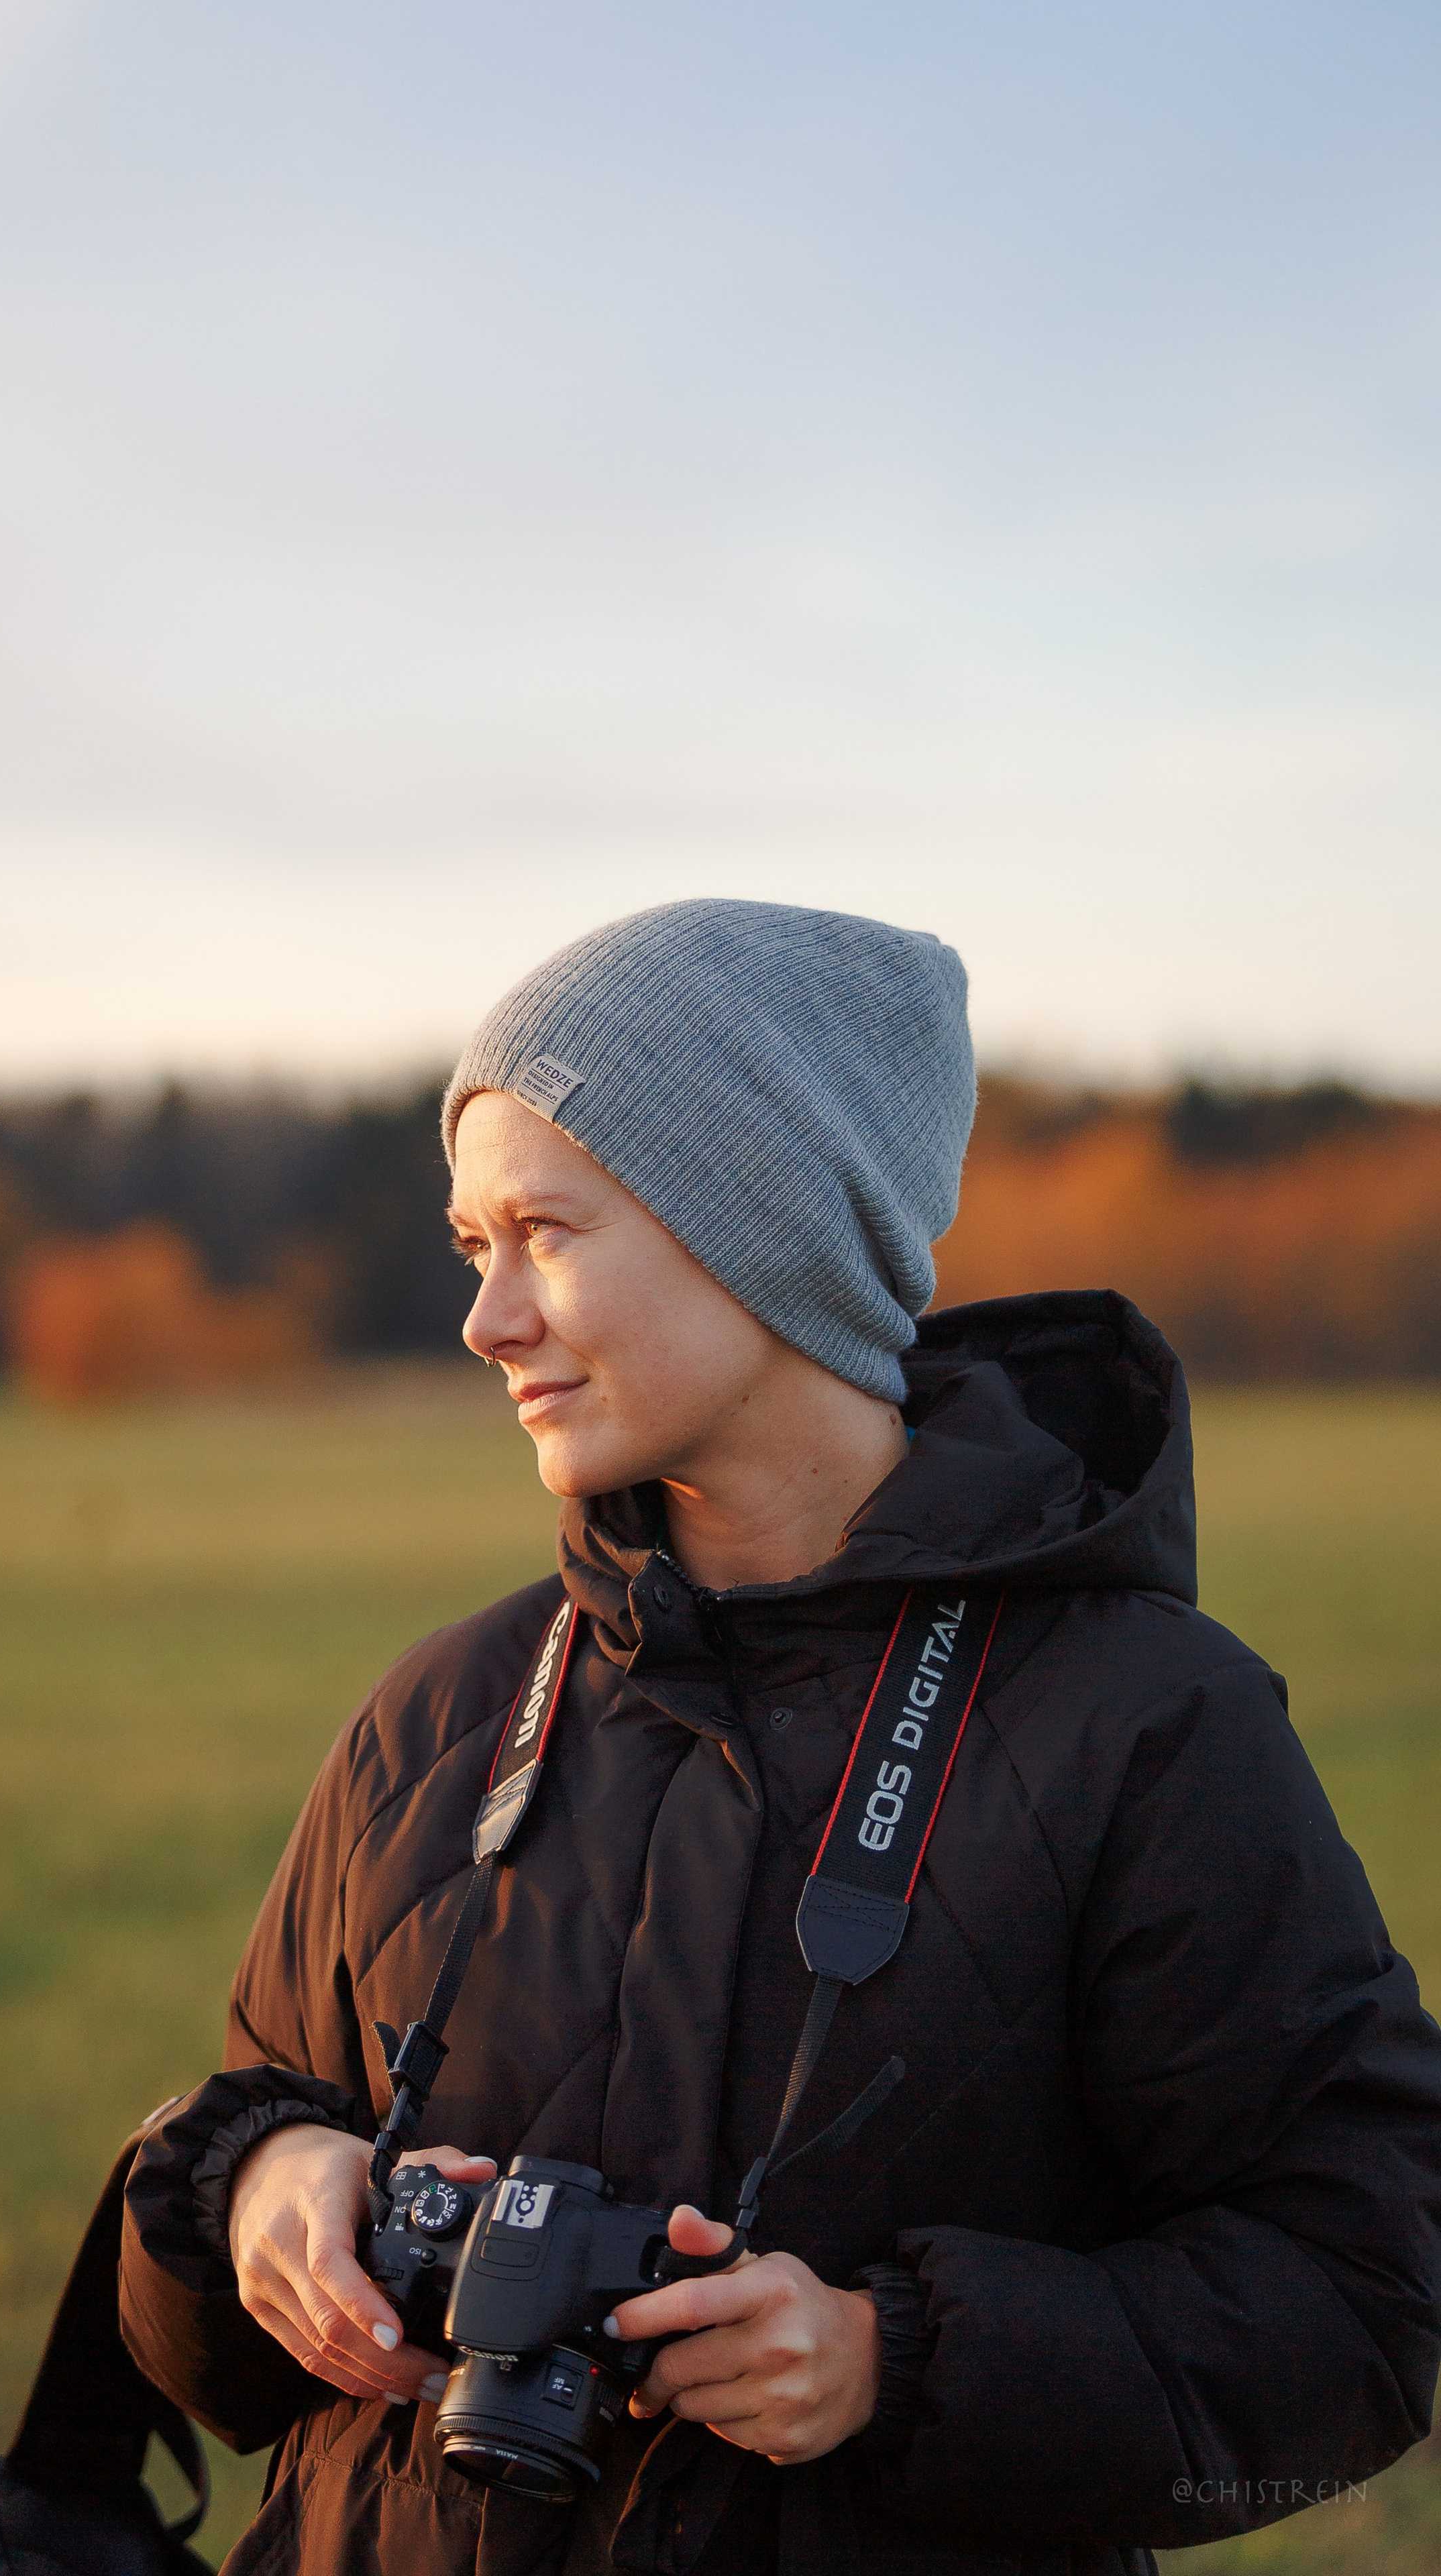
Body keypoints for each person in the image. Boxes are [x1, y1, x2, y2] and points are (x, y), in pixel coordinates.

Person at [121, 899, 1441, 2576]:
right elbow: (209, 2257)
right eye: (473, 1245)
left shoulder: (1145, 1727)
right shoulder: (441, 1713)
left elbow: (1361, 2296)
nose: (488, 1320)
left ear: (762, 1230)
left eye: (545, 1229)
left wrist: (897, 2363)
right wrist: (256, 2192)